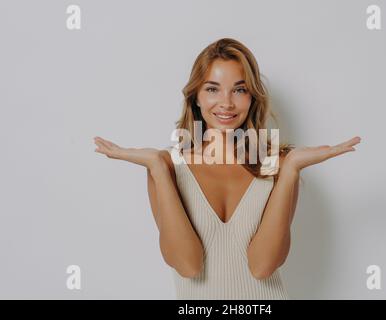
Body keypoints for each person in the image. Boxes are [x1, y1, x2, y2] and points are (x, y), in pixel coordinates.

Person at [93, 38, 361, 299]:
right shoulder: (166, 168)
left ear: (252, 97)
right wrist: (158, 168)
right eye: (212, 89)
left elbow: (262, 266)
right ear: (195, 97)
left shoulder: (276, 166)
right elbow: (188, 265)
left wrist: (290, 168)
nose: (227, 103)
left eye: (239, 89)